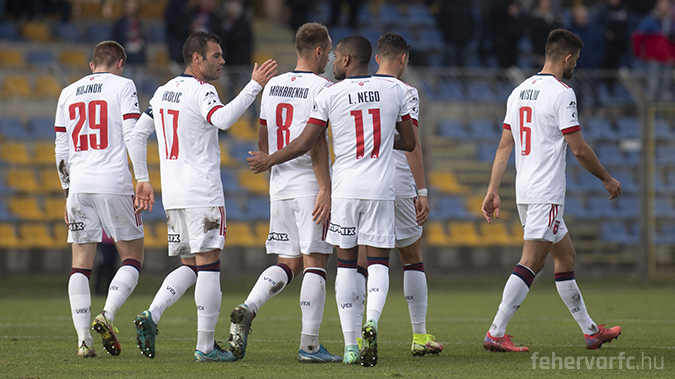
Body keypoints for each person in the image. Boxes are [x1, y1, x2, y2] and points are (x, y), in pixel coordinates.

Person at [246, 35, 417, 367]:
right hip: (381, 189)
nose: (334, 61)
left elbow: (305, 143)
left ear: (348, 60)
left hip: (344, 190)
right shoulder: (396, 90)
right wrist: (379, 139)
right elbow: (409, 142)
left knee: (346, 265)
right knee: (379, 262)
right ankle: (372, 322)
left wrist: (270, 160)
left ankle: (351, 345)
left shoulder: (331, 93)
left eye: (338, 56)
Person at [127, 31, 277, 362]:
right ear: (197, 58)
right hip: (202, 193)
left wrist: (142, 180)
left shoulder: (164, 91)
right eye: (216, 56)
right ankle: (206, 347)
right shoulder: (201, 90)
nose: (222, 61)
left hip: (175, 195)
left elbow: (137, 134)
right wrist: (254, 85)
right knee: (209, 267)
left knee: (190, 265)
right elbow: (222, 119)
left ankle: (152, 314)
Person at [481, 29, 622, 352]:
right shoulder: (562, 92)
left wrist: (492, 190)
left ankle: (590, 331)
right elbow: (579, 149)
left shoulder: (519, 91)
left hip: (525, 191)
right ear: (568, 58)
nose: (575, 66)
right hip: (546, 192)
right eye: (576, 61)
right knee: (531, 261)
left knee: (566, 257)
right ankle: (495, 331)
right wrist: (607, 178)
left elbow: (505, 145)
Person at [226, 22, 340, 364]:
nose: (330, 58)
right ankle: (309, 345)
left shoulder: (273, 85)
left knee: (287, 261)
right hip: (310, 185)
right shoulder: (324, 87)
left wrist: (273, 164)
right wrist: (325, 188)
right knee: (315, 263)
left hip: (280, 185)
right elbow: (315, 141)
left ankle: (248, 306)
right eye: (329, 52)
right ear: (318, 51)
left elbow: (263, 140)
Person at [54, 40, 153, 358]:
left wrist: (67, 192)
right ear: (120, 63)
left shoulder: (68, 92)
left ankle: (84, 340)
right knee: (133, 257)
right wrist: (142, 178)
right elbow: (133, 133)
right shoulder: (124, 86)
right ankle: (107, 315)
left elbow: (61, 150)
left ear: (92, 64)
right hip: (114, 181)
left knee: (80, 264)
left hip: (80, 185)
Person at [352, 32, 443, 358]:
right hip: (401, 184)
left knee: (363, 260)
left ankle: (358, 335)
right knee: (411, 257)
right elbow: (412, 145)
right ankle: (419, 335)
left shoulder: (357, 89)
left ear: (378, 58)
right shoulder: (405, 91)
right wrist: (421, 191)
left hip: (364, 184)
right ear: (403, 59)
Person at [112, 0, 146, 64]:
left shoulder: (140, 23)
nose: (131, 8)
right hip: (125, 60)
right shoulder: (119, 24)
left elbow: (143, 42)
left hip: (139, 60)